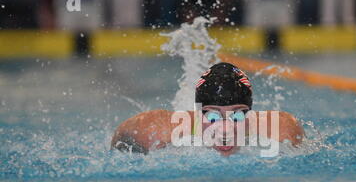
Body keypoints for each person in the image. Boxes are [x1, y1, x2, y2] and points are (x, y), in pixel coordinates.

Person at [111, 62, 304, 156]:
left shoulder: (280, 131)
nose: (224, 130)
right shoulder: (158, 130)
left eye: (237, 115)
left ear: (250, 114)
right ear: (197, 113)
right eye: (212, 116)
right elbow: (118, 146)